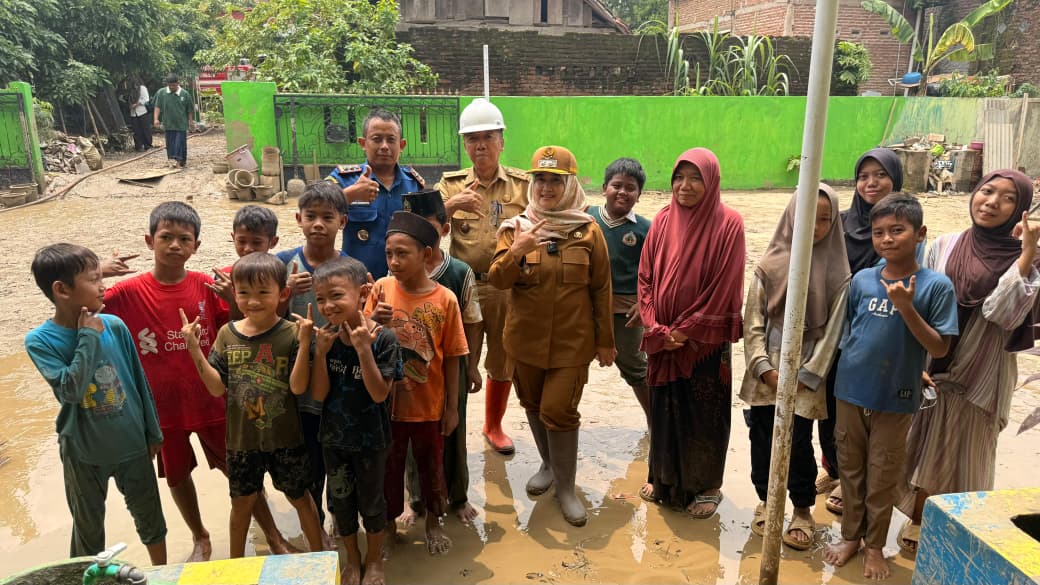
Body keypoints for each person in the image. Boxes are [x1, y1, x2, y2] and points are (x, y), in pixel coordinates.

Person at [103, 201, 290, 561]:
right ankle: (200, 536)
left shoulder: (208, 285)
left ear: (196, 246)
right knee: (176, 477)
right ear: (149, 240)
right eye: (166, 237)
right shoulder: (128, 291)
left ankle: (274, 535)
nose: (175, 245)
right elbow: (77, 304)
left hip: (214, 400)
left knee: (243, 473)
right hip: (163, 408)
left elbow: (244, 329)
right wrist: (99, 270)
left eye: (184, 239)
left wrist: (230, 301)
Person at [896, 171, 1040, 555]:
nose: (991, 202)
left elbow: (1000, 312)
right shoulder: (945, 244)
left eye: (1007, 199)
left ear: (1020, 209)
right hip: (934, 363)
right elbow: (919, 302)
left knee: (966, 454)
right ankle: (918, 518)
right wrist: (914, 358)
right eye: (987, 191)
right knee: (923, 444)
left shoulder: (1029, 258)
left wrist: (1027, 254)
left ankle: (954, 525)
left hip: (983, 372)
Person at [823, 194, 958, 580]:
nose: (886, 239)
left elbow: (938, 346)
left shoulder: (935, 286)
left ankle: (875, 546)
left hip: (896, 399)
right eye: (879, 232)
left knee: (882, 474)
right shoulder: (863, 280)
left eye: (897, 230)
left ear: (920, 234)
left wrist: (906, 307)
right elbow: (849, 331)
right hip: (850, 390)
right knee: (849, 468)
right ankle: (851, 536)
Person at [488, 145, 614, 527]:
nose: (545, 187)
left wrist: (606, 341)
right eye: (539, 179)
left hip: (571, 346)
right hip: (524, 342)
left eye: (555, 180)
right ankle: (547, 463)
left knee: (559, 411)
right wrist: (518, 252)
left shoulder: (588, 232)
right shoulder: (515, 228)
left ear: (569, 184)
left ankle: (566, 488)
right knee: (532, 404)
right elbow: (496, 279)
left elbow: (601, 289)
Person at [25, 244, 167, 564]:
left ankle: (162, 573)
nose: (103, 285)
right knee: (88, 530)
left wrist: (153, 433)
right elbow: (70, 391)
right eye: (93, 279)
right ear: (62, 290)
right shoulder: (40, 341)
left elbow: (138, 381)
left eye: (101, 276)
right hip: (84, 453)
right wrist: (87, 336)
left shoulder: (115, 325)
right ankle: (85, 577)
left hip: (132, 444)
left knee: (152, 522)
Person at [180, 252, 325, 558]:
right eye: (244, 293)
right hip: (242, 442)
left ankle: (320, 559)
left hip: (286, 438)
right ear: (234, 293)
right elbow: (216, 387)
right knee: (242, 504)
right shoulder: (226, 334)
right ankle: (236, 567)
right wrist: (194, 349)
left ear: (282, 293)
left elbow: (298, 387)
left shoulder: (290, 333)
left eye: (263, 292)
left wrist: (304, 342)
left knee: (301, 499)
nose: (253, 301)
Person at [637, 148, 744, 520]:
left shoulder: (730, 224)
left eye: (695, 177)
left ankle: (705, 486)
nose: (685, 186)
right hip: (662, 340)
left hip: (703, 346)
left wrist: (685, 331)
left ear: (711, 181)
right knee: (664, 409)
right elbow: (646, 276)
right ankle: (663, 478)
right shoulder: (662, 220)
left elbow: (725, 285)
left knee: (702, 414)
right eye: (679, 177)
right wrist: (654, 325)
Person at [741, 186, 850, 550]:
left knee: (798, 441)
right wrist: (763, 366)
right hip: (764, 372)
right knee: (760, 435)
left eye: (824, 219)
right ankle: (765, 499)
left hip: (806, 378)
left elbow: (833, 332)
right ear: (792, 214)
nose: (815, 226)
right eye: (807, 215)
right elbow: (752, 319)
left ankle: (802, 508)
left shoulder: (839, 272)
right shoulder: (769, 263)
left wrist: (804, 375)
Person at [367, 211, 468, 555]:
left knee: (432, 468)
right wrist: (371, 321)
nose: (393, 262)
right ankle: (390, 523)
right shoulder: (380, 290)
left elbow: (453, 355)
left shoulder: (445, 300)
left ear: (426, 255)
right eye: (389, 254)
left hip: (429, 406)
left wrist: (452, 408)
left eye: (402, 253)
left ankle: (433, 523)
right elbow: (361, 343)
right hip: (387, 406)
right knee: (389, 470)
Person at [436, 98, 530, 455]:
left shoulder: (522, 186)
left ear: (501, 141)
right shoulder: (451, 185)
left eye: (488, 137)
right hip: (465, 289)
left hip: (508, 288)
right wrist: (451, 206)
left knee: (503, 358)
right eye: (472, 139)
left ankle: (493, 426)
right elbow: (428, 230)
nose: (480, 146)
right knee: (459, 358)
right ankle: (452, 421)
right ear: (465, 145)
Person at [818, 147, 906, 515]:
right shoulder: (838, 222)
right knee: (828, 405)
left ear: (896, 180)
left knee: (864, 410)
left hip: (872, 333)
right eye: (864, 176)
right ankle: (836, 470)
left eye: (880, 175)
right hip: (829, 331)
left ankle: (859, 480)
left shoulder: (904, 228)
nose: (871, 183)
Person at [312, 257, 403, 585]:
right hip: (333, 439)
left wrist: (364, 350)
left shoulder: (383, 339)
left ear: (363, 292)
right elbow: (319, 394)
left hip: (371, 439)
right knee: (340, 503)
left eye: (336, 295)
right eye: (320, 298)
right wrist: (320, 354)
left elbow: (380, 394)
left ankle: (374, 559)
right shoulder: (325, 339)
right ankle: (352, 559)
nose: (327, 306)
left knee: (373, 502)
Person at [399, 190, 483, 524]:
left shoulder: (459, 272)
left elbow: (474, 321)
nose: (419, 233)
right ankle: (416, 500)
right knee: (407, 434)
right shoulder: (397, 269)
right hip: (408, 369)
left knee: (453, 428)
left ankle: (458, 496)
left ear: (445, 229)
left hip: (451, 367)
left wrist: (473, 365)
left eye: (428, 225)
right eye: (412, 227)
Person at [277, 181, 350, 548]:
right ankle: (315, 525)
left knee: (336, 451)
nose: (318, 224)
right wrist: (284, 292)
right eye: (311, 216)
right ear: (298, 219)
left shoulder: (350, 267)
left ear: (343, 221)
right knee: (307, 455)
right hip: (297, 380)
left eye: (327, 217)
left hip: (339, 379)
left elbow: (360, 316)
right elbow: (257, 313)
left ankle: (341, 520)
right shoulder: (282, 264)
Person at [587, 158, 652, 423]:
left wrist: (644, 302)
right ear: (604, 188)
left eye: (630, 187)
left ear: (639, 195)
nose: (623, 192)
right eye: (617, 185)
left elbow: (656, 272)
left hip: (626, 314)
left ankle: (655, 422)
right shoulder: (586, 219)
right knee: (573, 365)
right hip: (586, 309)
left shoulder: (645, 229)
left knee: (637, 368)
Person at [325, 109, 425, 279]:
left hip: (402, 284)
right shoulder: (345, 179)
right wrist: (350, 195)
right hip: (356, 283)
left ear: (401, 145)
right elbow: (313, 205)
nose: (384, 146)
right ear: (363, 143)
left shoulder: (414, 184)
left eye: (391, 140)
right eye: (377, 139)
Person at [152, 74, 194, 168]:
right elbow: (157, 106)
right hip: (168, 123)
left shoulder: (184, 94)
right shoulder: (161, 93)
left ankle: (180, 161)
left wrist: (191, 122)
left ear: (178, 83)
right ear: (167, 84)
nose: (172, 87)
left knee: (180, 142)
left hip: (181, 124)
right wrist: (156, 119)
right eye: (170, 85)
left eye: (174, 85)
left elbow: (190, 110)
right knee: (170, 143)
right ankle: (172, 160)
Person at [129, 81, 152, 152]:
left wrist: (137, 104)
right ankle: (138, 146)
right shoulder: (130, 90)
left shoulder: (142, 88)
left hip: (142, 111)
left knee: (145, 129)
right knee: (136, 130)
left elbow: (146, 99)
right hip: (133, 113)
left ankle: (147, 145)